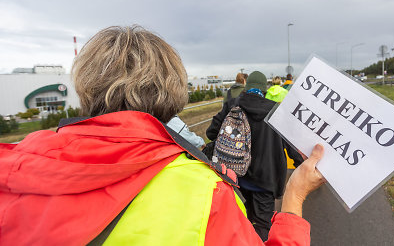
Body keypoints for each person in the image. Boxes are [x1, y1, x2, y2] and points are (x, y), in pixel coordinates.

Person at [0, 26, 325, 245]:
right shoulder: (204, 192)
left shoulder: (14, 167)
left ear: (85, 85)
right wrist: (294, 198)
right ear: (173, 91)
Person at [206, 71, 305, 241]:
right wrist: (301, 164)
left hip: (237, 176)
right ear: (264, 89)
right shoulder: (274, 110)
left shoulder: (232, 104)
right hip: (266, 179)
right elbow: (290, 144)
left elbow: (211, 132)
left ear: (248, 86)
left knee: (246, 214)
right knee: (263, 225)